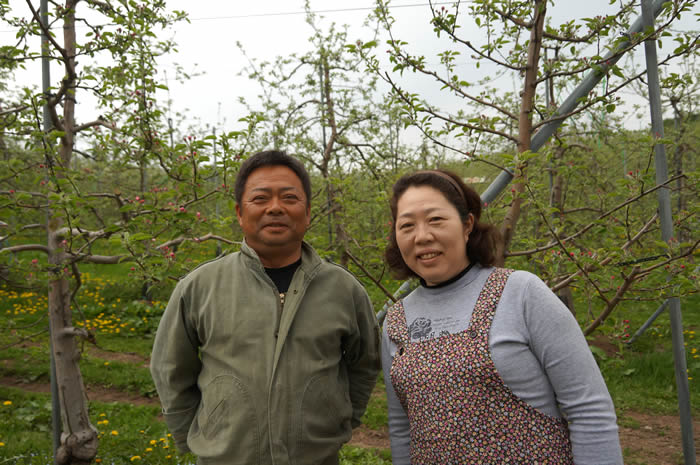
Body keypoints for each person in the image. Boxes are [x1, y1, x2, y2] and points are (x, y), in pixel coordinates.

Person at [151, 150, 381, 465]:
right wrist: (197, 435)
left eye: (289, 198)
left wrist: (339, 418)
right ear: (239, 213)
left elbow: (365, 362)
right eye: (260, 199)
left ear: (308, 212)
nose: (275, 208)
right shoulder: (200, 286)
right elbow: (170, 367)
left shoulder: (343, 289)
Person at [382, 169, 623, 464]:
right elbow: (402, 428)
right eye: (407, 225)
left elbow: (589, 410)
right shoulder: (397, 320)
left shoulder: (521, 293)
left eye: (436, 220)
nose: (422, 236)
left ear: (467, 224)